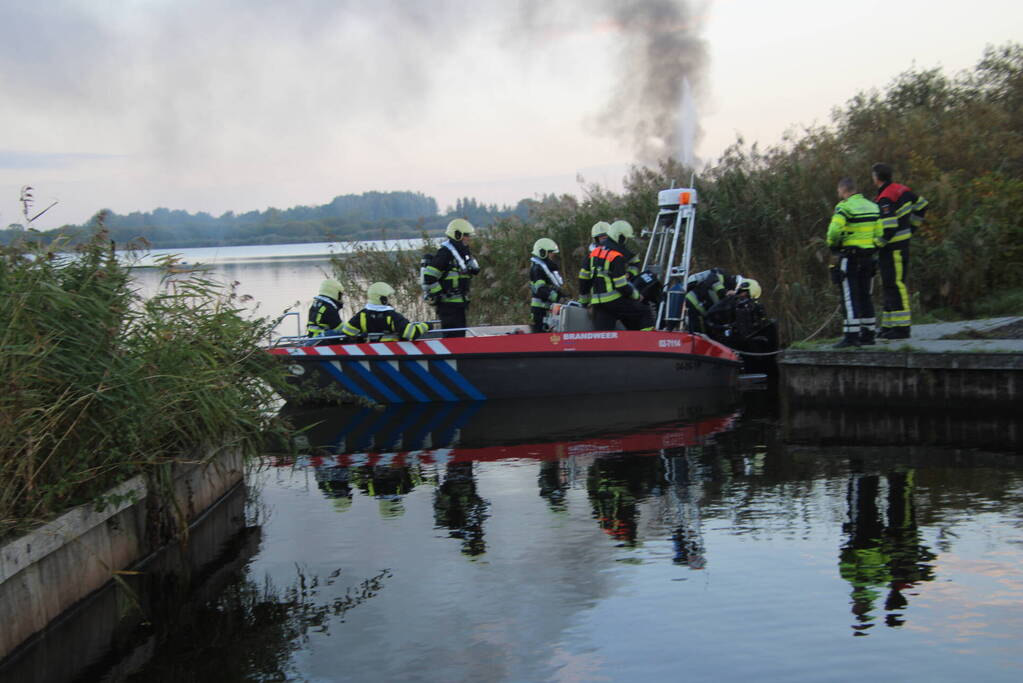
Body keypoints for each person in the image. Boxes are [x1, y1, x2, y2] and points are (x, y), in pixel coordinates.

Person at [872, 162, 929, 339]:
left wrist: (877, 244)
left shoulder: (885, 197)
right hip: (901, 245)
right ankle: (889, 326)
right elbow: (922, 205)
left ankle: (902, 328)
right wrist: (912, 228)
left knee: (896, 285)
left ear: (876, 177)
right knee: (889, 286)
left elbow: (889, 227)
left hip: (892, 248)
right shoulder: (902, 190)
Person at [828, 176, 883, 348]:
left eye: (839, 191)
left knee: (850, 297)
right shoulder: (873, 207)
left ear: (844, 190)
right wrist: (874, 248)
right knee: (865, 295)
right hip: (869, 257)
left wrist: (833, 245)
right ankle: (868, 334)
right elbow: (880, 233)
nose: (838, 194)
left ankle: (851, 336)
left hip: (851, 257)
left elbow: (834, 230)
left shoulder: (844, 207)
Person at [579, 220, 654, 331]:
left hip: (598, 304)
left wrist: (584, 303)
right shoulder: (616, 256)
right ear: (620, 237)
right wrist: (636, 296)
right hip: (614, 300)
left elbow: (583, 280)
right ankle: (647, 345)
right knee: (645, 312)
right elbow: (621, 285)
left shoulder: (592, 254)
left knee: (604, 336)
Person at [422, 218, 480, 338]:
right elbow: (429, 276)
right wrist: (439, 294)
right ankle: (453, 356)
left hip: (459, 304)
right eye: (466, 235)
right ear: (458, 235)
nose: (469, 238)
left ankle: (460, 356)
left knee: (460, 336)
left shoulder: (462, 252)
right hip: (448, 306)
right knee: (453, 338)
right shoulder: (445, 253)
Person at [340, 282, 430, 342]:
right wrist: (427, 325)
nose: (390, 299)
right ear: (383, 299)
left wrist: (361, 338)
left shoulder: (362, 314)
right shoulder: (392, 316)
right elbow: (412, 333)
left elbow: (347, 331)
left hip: (371, 352)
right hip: (394, 352)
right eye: (388, 297)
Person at [704, 278, 776, 353]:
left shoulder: (750, 309)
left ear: (750, 294)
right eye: (739, 291)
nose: (740, 294)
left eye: (743, 292)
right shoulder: (731, 302)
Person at [529, 237, 563, 333]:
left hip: (547, 310)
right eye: (551, 254)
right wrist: (557, 297)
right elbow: (541, 290)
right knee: (541, 340)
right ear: (543, 253)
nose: (552, 257)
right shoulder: (537, 269)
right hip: (540, 312)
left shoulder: (545, 268)